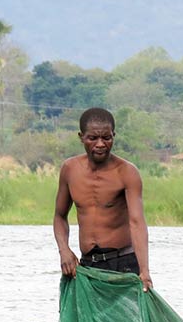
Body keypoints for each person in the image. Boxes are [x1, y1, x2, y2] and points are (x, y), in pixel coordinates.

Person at [53, 107, 152, 291]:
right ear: (81, 137)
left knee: (124, 320)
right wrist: (64, 250)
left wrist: (144, 270)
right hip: (87, 266)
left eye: (106, 138)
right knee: (87, 320)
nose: (100, 144)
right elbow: (59, 216)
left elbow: (137, 223)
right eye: (93, 138)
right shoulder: (70, 169)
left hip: (122, 264)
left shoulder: (127, 172)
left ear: (113, 135)